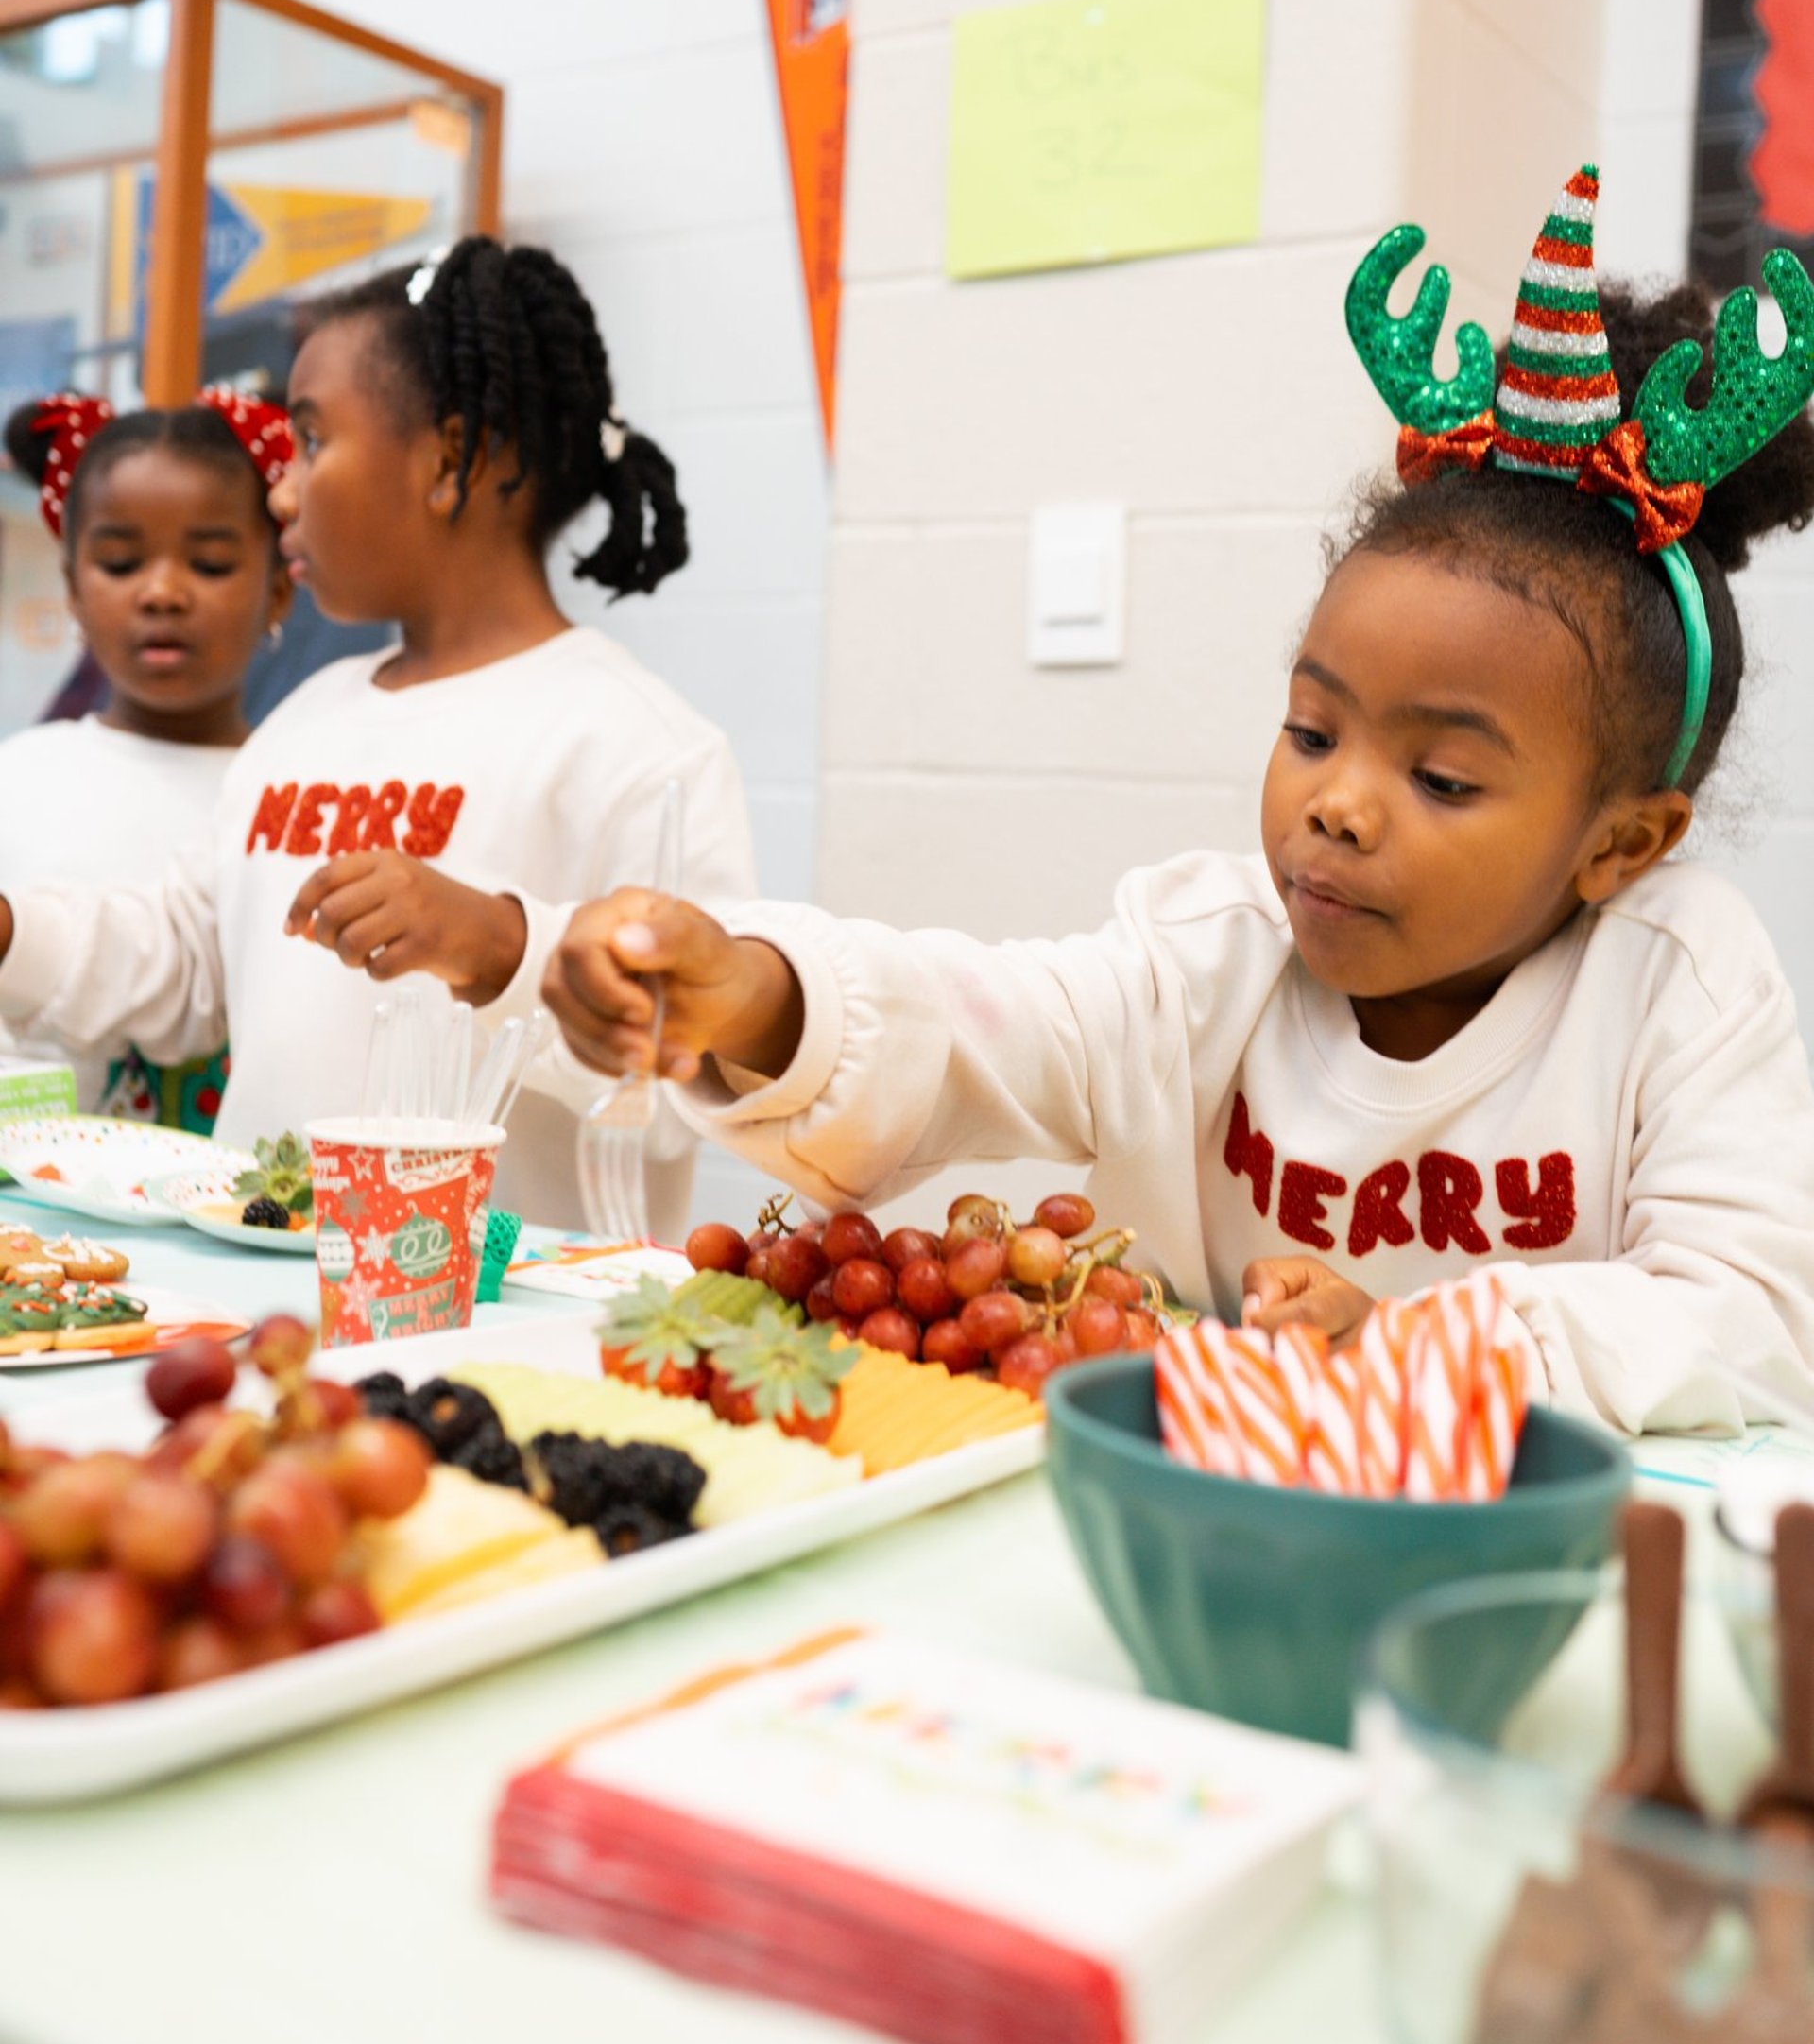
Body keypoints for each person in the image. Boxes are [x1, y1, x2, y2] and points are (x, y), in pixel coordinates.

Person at [540, 166, 1814, 1434]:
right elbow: (984, 1025)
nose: (1339, 806)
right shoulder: (1212, 955)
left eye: (1441, 777)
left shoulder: (1675, 980)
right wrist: (759, 992)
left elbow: (1749, 1314)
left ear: (1623, 841)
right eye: (1313, 730)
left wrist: (1416, 1344)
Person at [0, 238, 757, 1229]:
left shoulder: (635, 747)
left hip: (503, 1352)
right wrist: (13, 934)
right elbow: (188, 964)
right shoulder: (308, 718)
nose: (282, 490)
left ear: (451, 459)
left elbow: (697, 1079)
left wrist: (501, 944)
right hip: (265, 1321)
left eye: (311, 441)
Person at [0, 387, 295, 1126]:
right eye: (123, 562)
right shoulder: (22, 778)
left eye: (211, 563)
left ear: (281, 590)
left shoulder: (295, 800)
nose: (162, 592)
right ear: (72, 587)